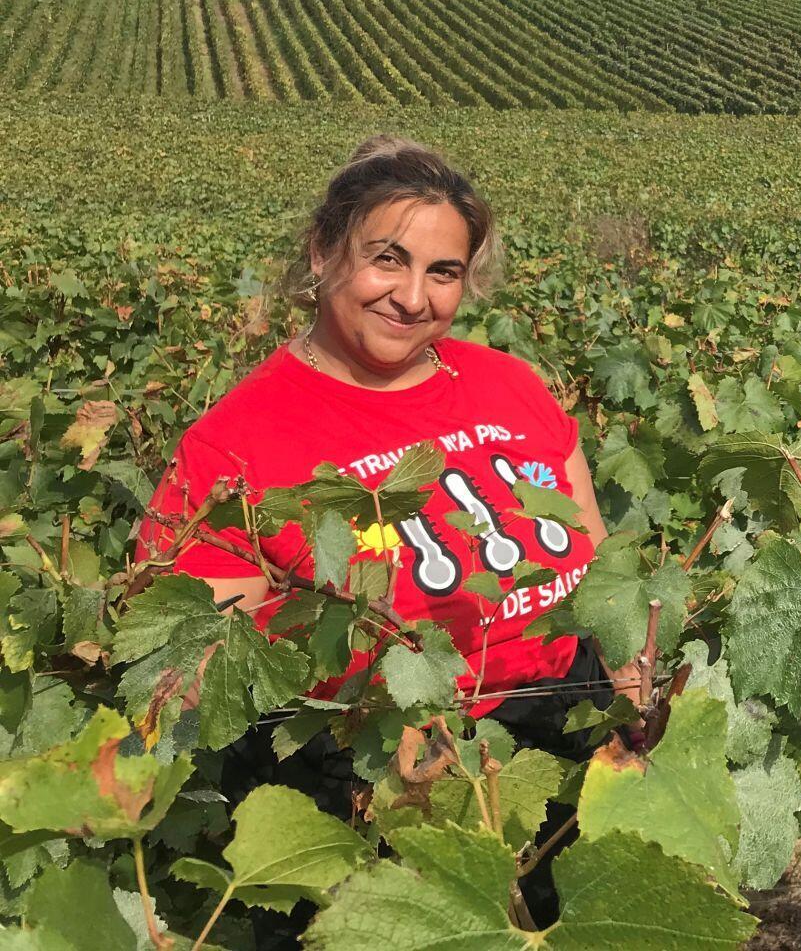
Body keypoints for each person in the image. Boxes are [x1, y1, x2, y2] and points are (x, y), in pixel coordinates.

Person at [138, 136, 633, 938]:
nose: (412, 297)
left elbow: (594, 562)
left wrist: (629, 672)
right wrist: (368, 732)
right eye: (387, 260)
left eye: (442, 274)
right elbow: (190, 677)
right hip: (375, 768)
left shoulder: (508, 383)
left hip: (565, 733)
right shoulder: (237, 442)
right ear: (323, 250)